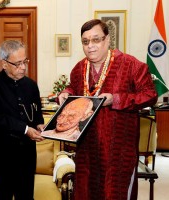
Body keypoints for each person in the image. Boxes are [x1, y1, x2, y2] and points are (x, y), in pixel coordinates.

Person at [57, 19, 158, 200]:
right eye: (85, 41)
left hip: (118, 149)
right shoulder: (79, 68)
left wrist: (116, 99)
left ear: (108, 39)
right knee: (86, 191)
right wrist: (66, 93)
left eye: (96, 40)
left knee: (115, 192)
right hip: (86, 147)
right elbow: (74, 87)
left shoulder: (132, 65)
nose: (91, 46)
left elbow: (150, 94)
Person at [0, 40, 45, 200]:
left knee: (26, 196)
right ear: (4, 63)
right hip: (0, 155)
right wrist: (27, 130)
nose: (23, 67)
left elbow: (37, 113)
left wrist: (40, 124)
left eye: (25, 61)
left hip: (26, 155)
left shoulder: (31, 85)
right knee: (2, 196)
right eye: (18, 63)